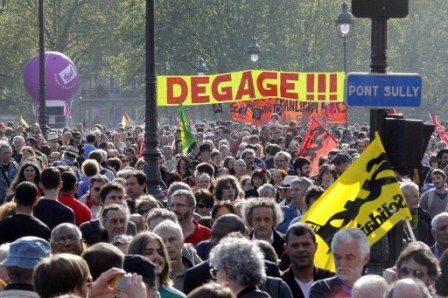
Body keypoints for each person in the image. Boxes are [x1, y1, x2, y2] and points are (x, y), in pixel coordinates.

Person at [310, 228, 371, 298]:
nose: (342, 263)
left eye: (349, 258)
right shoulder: (322, 288)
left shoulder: (376, 288)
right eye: (337, 257)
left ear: (365, 258)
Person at [281, 223, 334, 298]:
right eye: (295, 246)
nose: (301, 249)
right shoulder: (279, 286)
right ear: (286, 249)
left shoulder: (332, 282)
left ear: (315, 247)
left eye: (306, 245)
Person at [128, 231, 186, 298]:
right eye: (149, 252)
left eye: (160, 252)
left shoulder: (177, 297)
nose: (157, 256)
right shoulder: (120, 294)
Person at [153, 220, 195, 291]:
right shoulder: (150, 278)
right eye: (162, 241)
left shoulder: (197, 275)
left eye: (172, 239)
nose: (167, 245)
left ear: (182, 242)